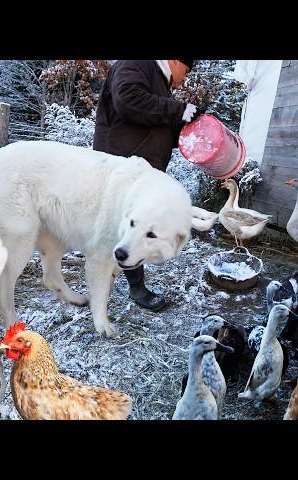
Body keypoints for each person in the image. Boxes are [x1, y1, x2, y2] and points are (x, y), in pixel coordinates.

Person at [93, 59, 204, 311]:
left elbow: (157, 125)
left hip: (141, 172)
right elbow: (127, 99)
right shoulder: (137, 63)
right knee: (118, 227)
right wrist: (177, 110)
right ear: (175, 60)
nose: (185, 77)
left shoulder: (159, 83)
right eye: (186, 70)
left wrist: (189, 128)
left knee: (132, 226)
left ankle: (127, 283)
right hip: (120, 168)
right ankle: (127, 287)